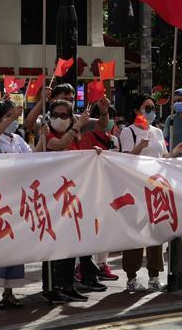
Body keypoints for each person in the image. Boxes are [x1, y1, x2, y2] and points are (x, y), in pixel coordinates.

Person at [0, 100, 46, 309]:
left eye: (14, 116)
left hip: (16, 199)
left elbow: (32, 158)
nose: (12, 120)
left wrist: (42, 137)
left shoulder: (18, 139)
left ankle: (9, 291)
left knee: (14, 246)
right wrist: (7, 120)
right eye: (7, 115)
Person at [119, 94, 182, 291]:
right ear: (136, 110)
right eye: (146, 108)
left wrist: (174, 152)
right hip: (136, 188)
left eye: (152, 108)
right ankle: (131, 277)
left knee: (156, 233)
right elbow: (124, 160)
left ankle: (154, 276)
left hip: (156, 188)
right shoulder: (128, 132)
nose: (150, 112)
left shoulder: (157, 132)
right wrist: (139, 147)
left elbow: (162, 156)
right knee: (135, 233)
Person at [42, 98, 92, 302]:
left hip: (72, 197)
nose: (59, 119)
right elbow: (59, 145)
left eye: (64, 115)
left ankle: (68, 285)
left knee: (72, 242)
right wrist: (77, 126)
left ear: (71, 117)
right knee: (53, 243)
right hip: (51, 197)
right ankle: (51, 287)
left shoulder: (76, 136)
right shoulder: (47, 134)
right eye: (55, 115)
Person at [75, 99, 121, 282]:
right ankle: (84, 266)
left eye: (111, 116)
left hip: (107, 187)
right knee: (89, 227)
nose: (109, 121)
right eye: (105, 115)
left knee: (106, 226)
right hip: (89, 188)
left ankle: (102, 263)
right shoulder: (86, 135)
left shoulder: (112, 138)